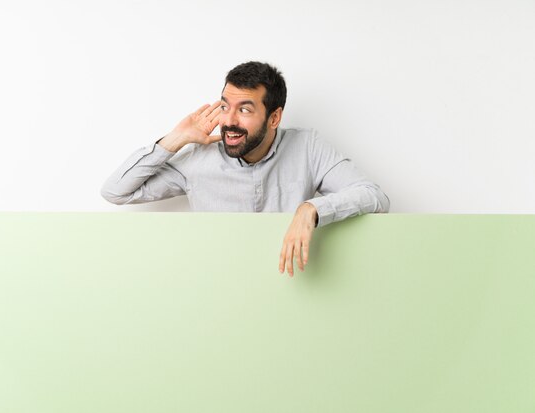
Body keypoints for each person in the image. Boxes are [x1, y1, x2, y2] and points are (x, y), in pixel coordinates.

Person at [101, 61, 390, 277]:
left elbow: (374, 196)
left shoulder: (307, 146)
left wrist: (310, 210)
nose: (229, 121)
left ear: (274, 117)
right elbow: (116, 192)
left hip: (291, 290)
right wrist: (175, 139)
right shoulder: (197, 158)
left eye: (245, 110)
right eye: (226, 106)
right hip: (217, 291)